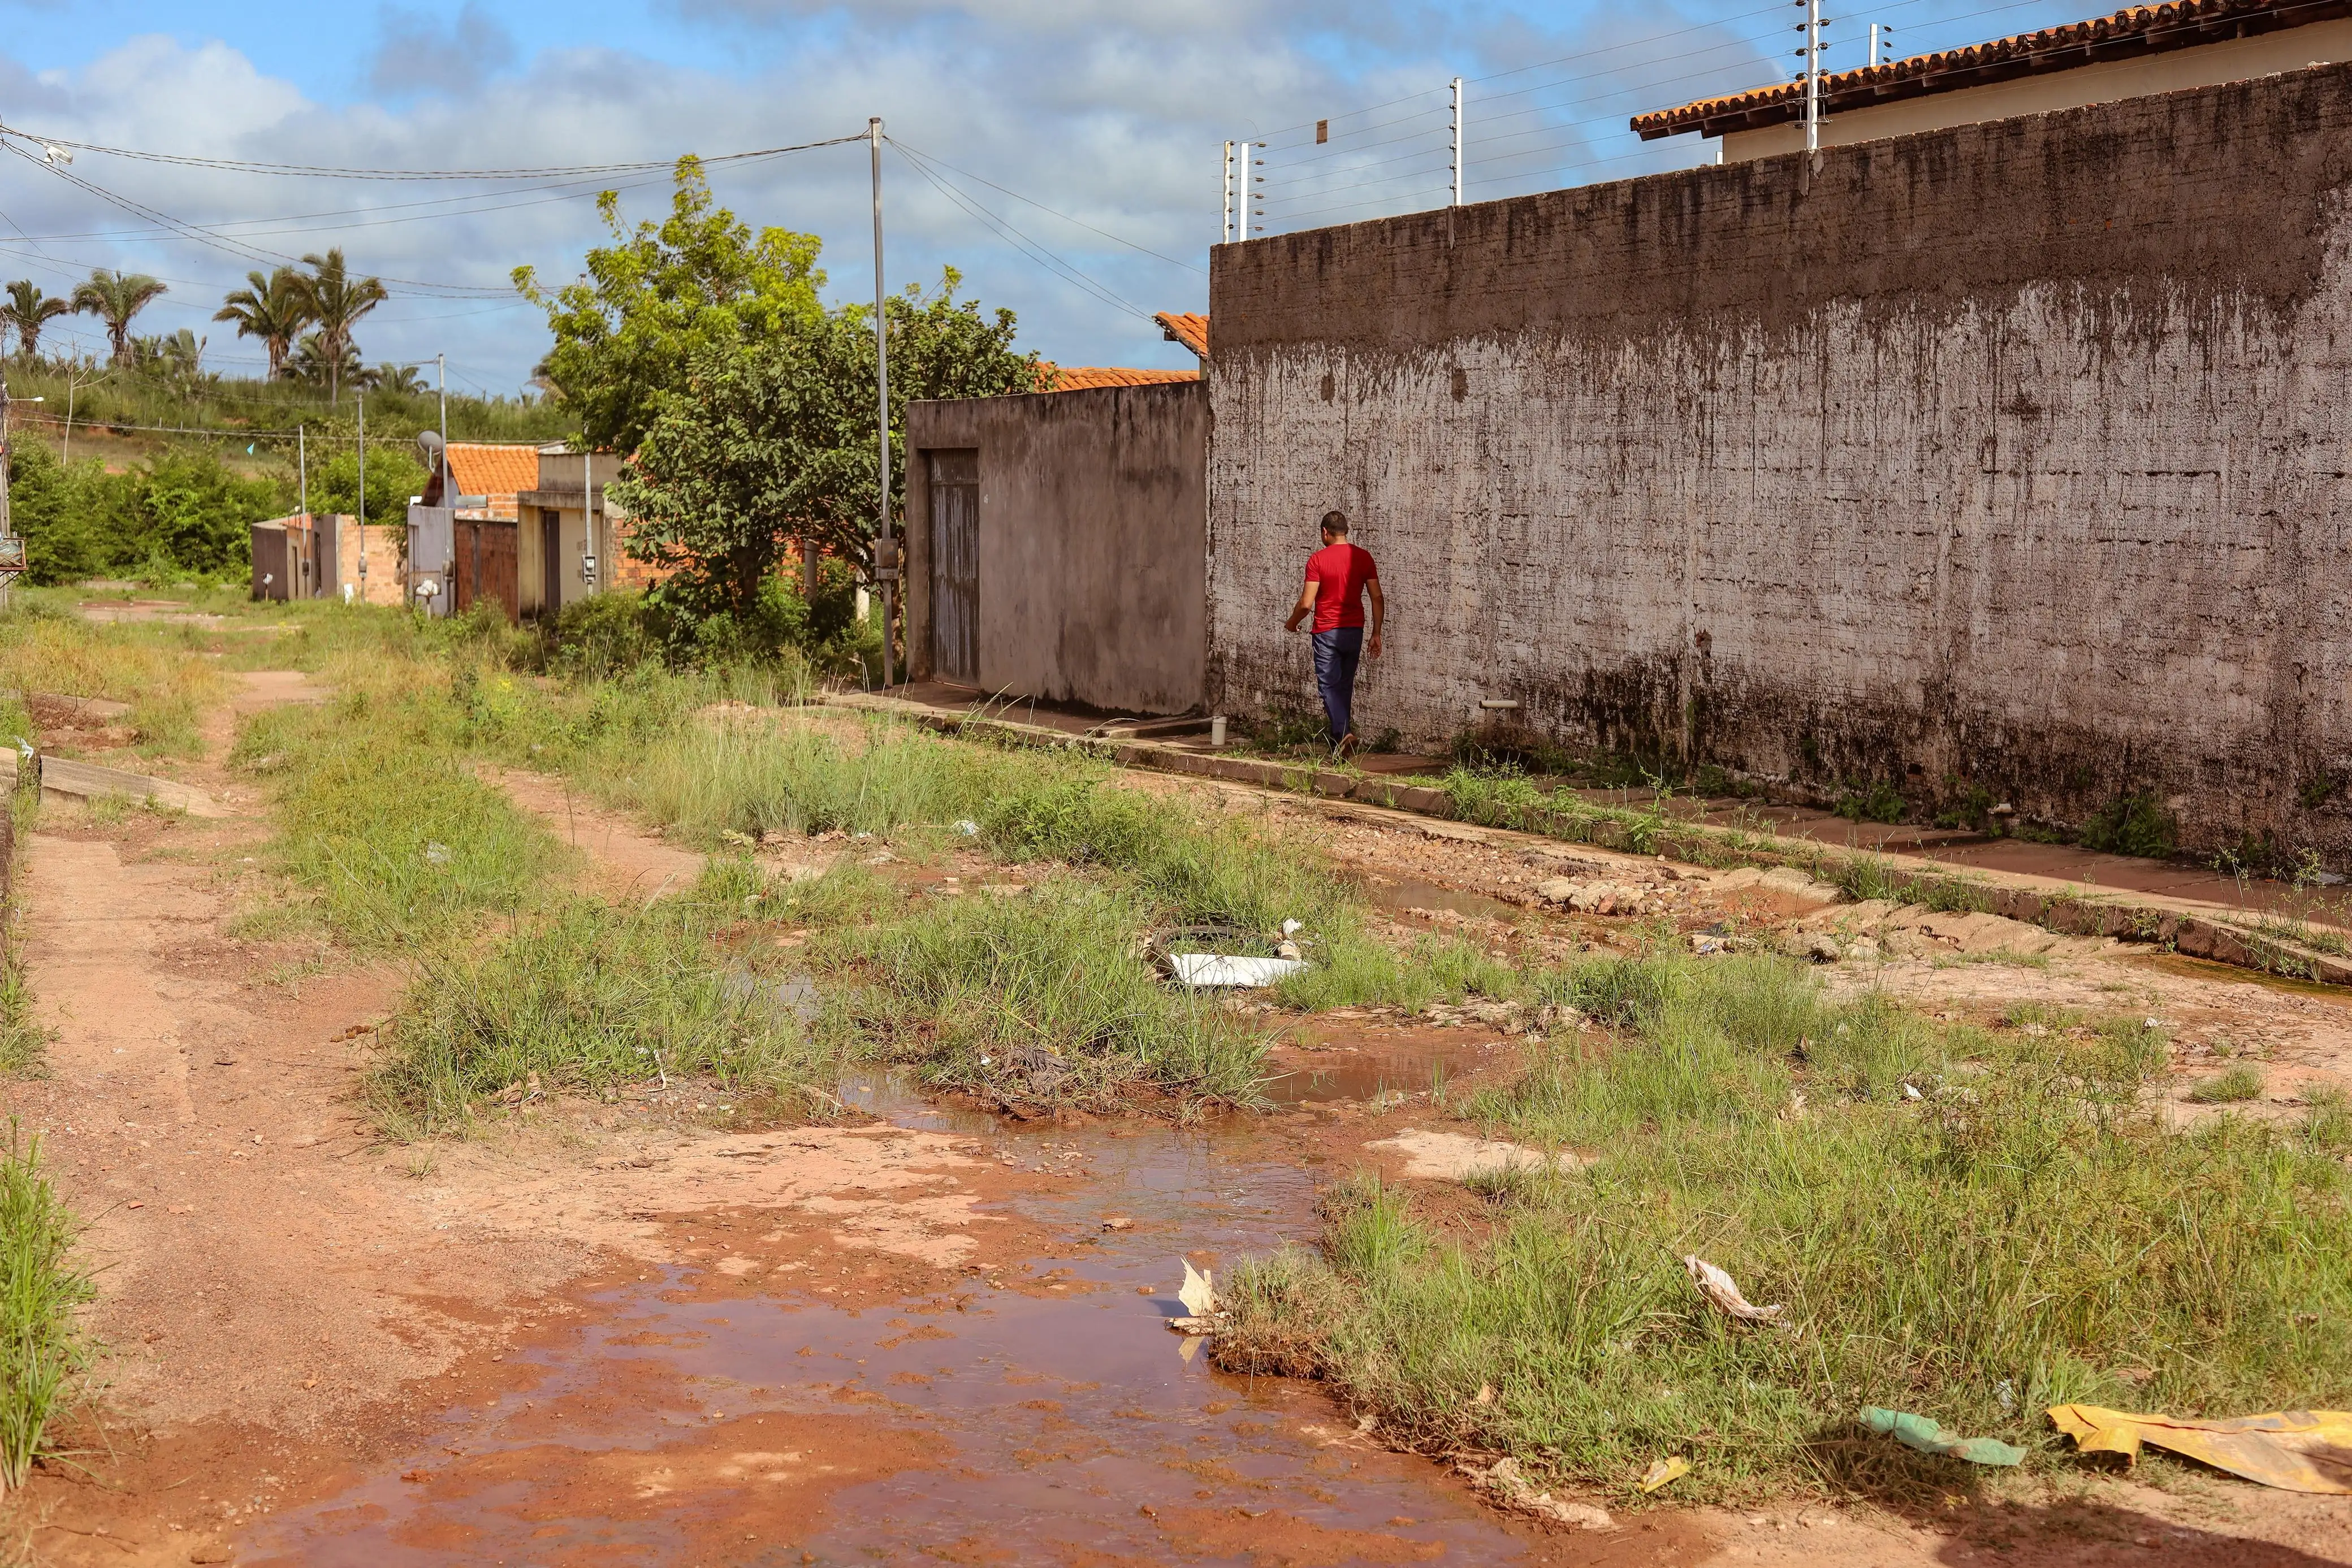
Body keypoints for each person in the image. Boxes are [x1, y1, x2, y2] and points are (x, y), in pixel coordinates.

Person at [1283, 509, 1383, 757]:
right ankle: (1341, 743)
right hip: (1354, 631)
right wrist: (1377, 633)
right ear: (1345, 531)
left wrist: (1292, 622)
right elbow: (1377, 597)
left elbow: (1306, 604)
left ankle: (1344, 733)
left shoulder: (1318, 560)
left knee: (1328, 687)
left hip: (1327, 632)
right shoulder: (1364, 558)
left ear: (1325, 533)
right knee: (1344, 687)